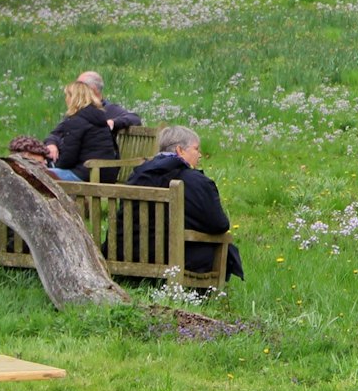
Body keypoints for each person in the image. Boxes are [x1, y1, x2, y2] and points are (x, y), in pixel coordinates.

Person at [126, 126, 245, 280]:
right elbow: (220, 224)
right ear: (180, 150)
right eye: (196, 149)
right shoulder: (195, 181)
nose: (200, 155)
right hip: (174, 258)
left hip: (130, 253)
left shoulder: (136, 176)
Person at [42, 81, 118, 182]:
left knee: (40, 175)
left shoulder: (77, 121)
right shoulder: (97, 117)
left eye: (67, 96)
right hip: (105, 174)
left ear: (73, 98)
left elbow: (69, 158)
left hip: (88, 174)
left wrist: (54, 165)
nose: (66, 99)